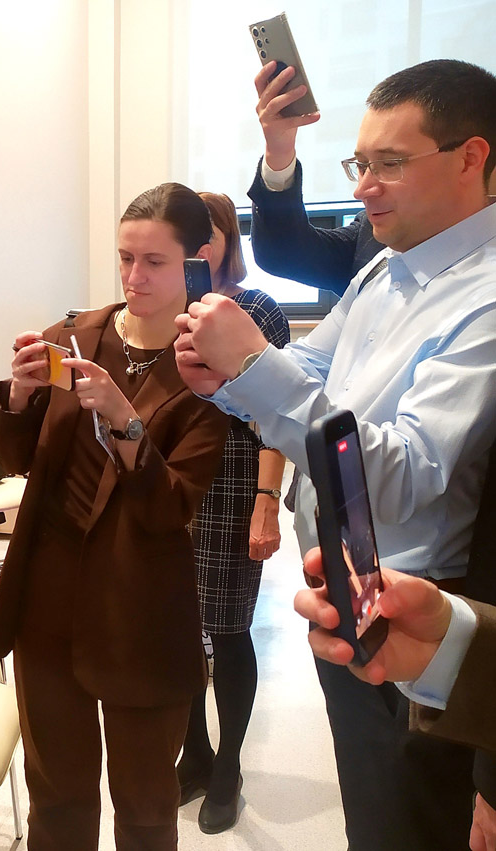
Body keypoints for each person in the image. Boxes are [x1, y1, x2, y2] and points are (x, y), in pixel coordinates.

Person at [174, 59, 496, 850]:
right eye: (360, 163)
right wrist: (227, 379)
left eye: (390, 163)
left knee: (407, 821)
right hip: (343, 585)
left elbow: (408, 473)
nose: (364, 187)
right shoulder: (386, 264)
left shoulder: (486, 295)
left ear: (470, 158)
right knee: (370, 810)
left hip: (420, 610)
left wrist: (254, 366)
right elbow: (314, 369)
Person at [0, 182, 229, 850]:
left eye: (154, 262)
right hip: (48, 595)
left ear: (196, 260)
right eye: (125, 258)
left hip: (141, 605)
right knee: (56, 792)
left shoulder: (206, 371)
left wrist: (123, 418)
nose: (134, 276)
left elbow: (171, 505)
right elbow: (15, 458)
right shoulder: (74, 336)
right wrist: (20, 395)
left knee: (145, 802)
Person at [178, 192, 289, 834]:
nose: (196, 245)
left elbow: (277, 415)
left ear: (226, 240)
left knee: (227, 627)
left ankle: (229, 767)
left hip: (234, 488)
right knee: (179, 629)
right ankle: (194, 753)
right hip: (173, 491)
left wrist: (266, 504)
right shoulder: (166, 312)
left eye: (208, 232)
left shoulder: (256, 311)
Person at [293, 547, 496, 851]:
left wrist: (492, 780)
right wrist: (459, 645)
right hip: (368, 607)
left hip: (447, 591)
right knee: (370, 822)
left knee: (414, 824)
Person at [247, 60, 383, 294]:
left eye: (390, 164)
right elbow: (282, 252)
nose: (360, 191)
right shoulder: (369, 237)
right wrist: (279, 152)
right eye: (361, 166)